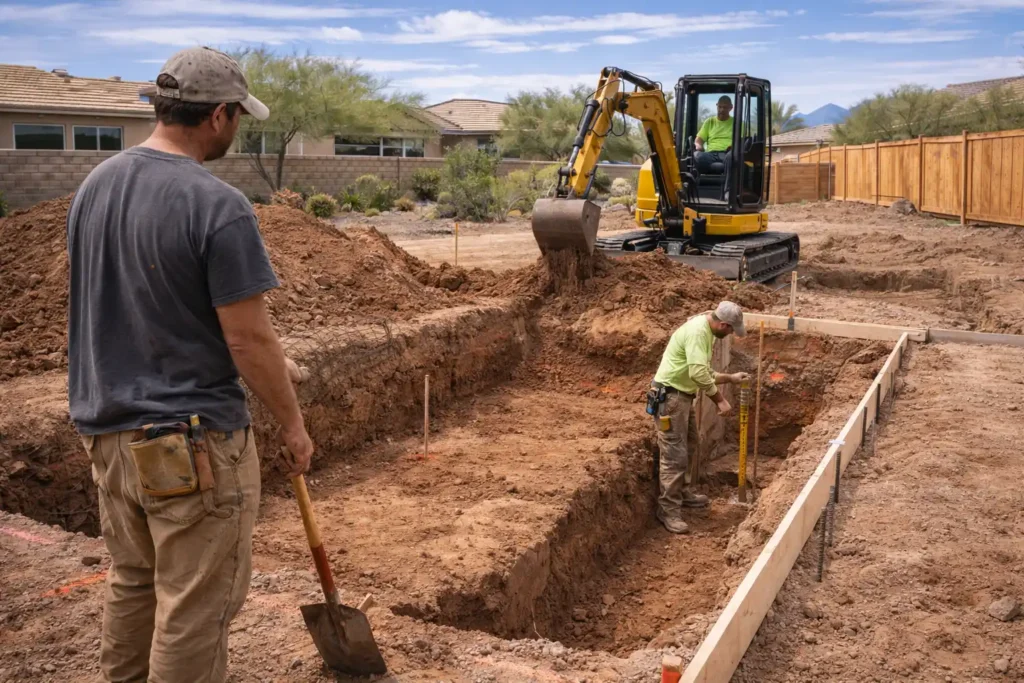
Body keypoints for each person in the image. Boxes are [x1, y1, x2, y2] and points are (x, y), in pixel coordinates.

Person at [66, 47, 314, 682]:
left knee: (134, 584)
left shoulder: (96, 186)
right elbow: (248, 342)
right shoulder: (217, 204)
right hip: (189, 445)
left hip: (109, 433)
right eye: (238, 118)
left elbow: (143, 305)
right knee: (194, 611)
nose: (236, 130)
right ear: (219, 115)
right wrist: (291, 423)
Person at [650, 302, 749, 534]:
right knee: (675, 455)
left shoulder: (707, 333)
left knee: (691, 445)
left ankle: (682, 492)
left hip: (682, 396)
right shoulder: (698, 333)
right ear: (723, 324)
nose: (730, 335)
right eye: (731, 330)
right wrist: (720, 400)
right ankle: (668, 510)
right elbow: (697, 374)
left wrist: (730, 378)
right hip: (671, 398)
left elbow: (702, 371)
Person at [694, 95, 735, 198]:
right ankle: (695, 190)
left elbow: (742, 141)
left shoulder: (737, 123)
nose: (722, 110)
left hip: (727, 154)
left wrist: (734, 148)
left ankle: (728, 192)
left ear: (731, 108)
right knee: (697, 156)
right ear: (716, 106)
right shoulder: (709, 122)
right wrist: (698, 146)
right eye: (720, 107)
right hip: (711, 154)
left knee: (732, 157)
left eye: (725, 107)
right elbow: (698, 140)